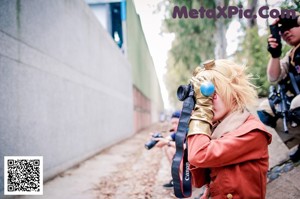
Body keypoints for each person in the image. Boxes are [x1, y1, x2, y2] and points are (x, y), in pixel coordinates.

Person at [187, 59, 272, 199]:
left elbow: (198, 156)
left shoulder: (252, 132)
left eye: (212, 92)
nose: (207, 101)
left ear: (232, 91)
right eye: (202, 97)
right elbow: (199, 180)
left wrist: (200, 115)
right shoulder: (216, 129)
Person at [257, 14, 300, 162]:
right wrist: (275, 55)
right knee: (266, 110)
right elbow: (273, 77)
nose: (286, 32)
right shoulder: (291, 56)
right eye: (282, 30)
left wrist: (295, 17)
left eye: (290, 26)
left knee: (297, 104)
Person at [153, 110, 180, 189]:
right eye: (172, 123)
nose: (174, 126)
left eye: (176, 123)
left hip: (191, 164)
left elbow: (188, 147)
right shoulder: (176, 133)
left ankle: (182, 180)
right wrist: (156, 139)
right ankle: (177, 178)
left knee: (171, 149)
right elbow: (162, 143)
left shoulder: (189, 131)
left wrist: (168, 142)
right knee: (167, 147)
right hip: (185, 161)